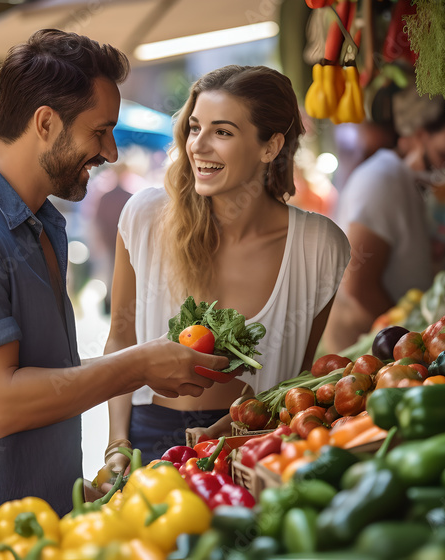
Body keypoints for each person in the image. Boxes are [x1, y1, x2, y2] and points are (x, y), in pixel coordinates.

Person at [0, 29, 227, 515]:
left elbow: (46, 383)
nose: (111, 152)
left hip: (45, 526)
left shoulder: (40, 224)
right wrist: (138, 366)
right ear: (46, 123)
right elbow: (1, 405)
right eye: (100, 130)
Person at [103, 65, 351, 467]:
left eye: (222, 132)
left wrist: (232, 428)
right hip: (144, 440)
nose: (198, 146)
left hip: (252, 444)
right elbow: (120, 337)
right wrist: (117, 443)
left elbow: (297, 377)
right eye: (195, 128)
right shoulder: (144, 217)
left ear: (270, 147)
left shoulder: (319, 246)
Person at [322, 88, 445, 354]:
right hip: (363, 349)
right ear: (419, 135)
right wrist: (410, 338)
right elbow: (357, 283)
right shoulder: (382, 181)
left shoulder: (404, 182)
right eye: (443, 155)